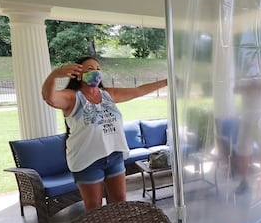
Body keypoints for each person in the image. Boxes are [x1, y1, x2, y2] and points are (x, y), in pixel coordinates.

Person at [41, 56, 167, 212]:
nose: (95, 72)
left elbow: (139, 91)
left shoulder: (107, 94)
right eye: (90, 69)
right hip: (88, 161)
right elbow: (49, 98)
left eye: (98, 69)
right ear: (78, 74)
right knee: (95, 210)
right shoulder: (73, 97)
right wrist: (54, 75)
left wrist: (167, 82)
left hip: (114, 156)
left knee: (120, 205)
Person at [233, 55, 261, 195]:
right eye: (253, 61)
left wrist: (257, 84)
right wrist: (251, 84)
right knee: (244, 150)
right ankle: (244, 182)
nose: (256, 64)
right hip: (247, 120)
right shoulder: (243, 81)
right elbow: (236, 89)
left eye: (259, 61)